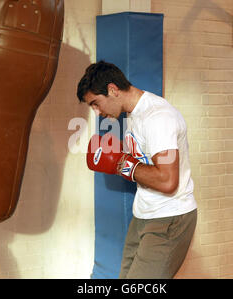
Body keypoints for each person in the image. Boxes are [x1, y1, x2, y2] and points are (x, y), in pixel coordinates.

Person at [77, 60, 197, 279]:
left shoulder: (158, 118)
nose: (97, 112)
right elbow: (146, 165)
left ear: (112, 90)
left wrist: (119, 163)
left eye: (96, 103)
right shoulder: (134, 114)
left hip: (169, 219)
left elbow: (167, 181)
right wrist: (123, 159)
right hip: (143, 214)